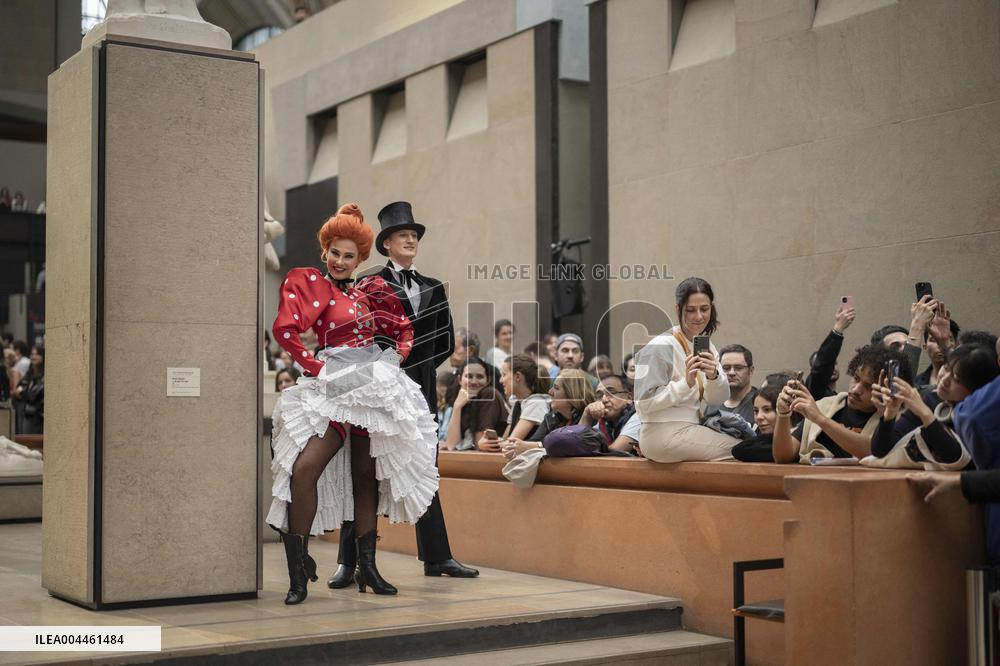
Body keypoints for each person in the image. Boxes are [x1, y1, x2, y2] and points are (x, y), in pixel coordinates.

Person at [268, 203, 439, 603]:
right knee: (305, 468)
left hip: (371, 384)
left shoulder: (371, 291)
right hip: (334, 382)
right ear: (324, 251)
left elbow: (403, 329)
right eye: (335, 253)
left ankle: (367, 568)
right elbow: (286, 331)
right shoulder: (312, 285)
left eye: (349, 256)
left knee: (366, 476)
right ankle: (298, 573)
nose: (341, 262)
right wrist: (315, 367)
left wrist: (396, 356)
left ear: (360, 258)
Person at [328, 201, 478, 589]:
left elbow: (445, 341)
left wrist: (418, 371)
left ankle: (437, 556)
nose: (410, 240)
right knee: (364, 472)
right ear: (386, 244)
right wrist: (383, 369)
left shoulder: (434, 287)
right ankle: (348, 562)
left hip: (420, 392)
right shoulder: (368, 281)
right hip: (378, 391)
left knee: (424, 469)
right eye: (402, 235)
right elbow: (355, 332)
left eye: (414, 235)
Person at [633, 277, 736, 462]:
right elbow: (643, 403)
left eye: (704, 309)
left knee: (746, 448)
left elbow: (717, 399)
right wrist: (686, 383)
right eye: (690, 310)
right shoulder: (660, 345)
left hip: (688, 429)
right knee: (743, 451)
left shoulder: (708, 347)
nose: (699, 316)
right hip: (662, 434)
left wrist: (714, 376)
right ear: (678, 309)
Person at [772, 345, 911, 464]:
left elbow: (874, 452)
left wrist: (820, 419)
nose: (856, 389)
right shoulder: (824, 405)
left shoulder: (892, 419)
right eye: (856, 378)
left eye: (868, 387)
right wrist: (783, 414)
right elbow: (783, 456)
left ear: (885, 388)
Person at [869, 343, 997, 468]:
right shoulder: (931, 399)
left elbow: (956, 459)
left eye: (956, 379)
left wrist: (925, 414)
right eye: (946, 368)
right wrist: (890, 414)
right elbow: (881, 451)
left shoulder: (982, 413)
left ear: (977, 388)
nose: (944, 379)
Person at [501, 368, 595, 458]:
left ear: (572, 393)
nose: (550, 392)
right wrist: (517, 447)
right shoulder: (551, 418)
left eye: (556, 388)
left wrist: (531, 446)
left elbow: (573, 445)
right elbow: (533, 442)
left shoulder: (590, 416)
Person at [443, 357, 508, 451]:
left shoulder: (489, 395)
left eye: (479, 377)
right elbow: (451, 445)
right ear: (459, 379)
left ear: (488, 380)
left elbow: (480, 445)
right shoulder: (462, 400)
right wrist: (457, 407)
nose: (474, 381)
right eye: (469, 376)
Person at [804, 300, 856, 400]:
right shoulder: (813, 392)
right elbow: (822, 367)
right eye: (828, 363)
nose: (831, 367)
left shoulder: (841, 399)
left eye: (834, 363)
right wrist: (838, 328)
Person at [579, 374, 638, 454]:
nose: (604, 400)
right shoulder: (603, 422)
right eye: (599, 396)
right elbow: (576, 445)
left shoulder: (638, 417)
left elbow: (614, 452)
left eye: (611, 393)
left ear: (629, 398)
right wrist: (586, 415)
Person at [716, 344, 757, 424]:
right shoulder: (714, 403)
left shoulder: (760, 403)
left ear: (751, 371)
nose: (731, 373)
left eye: (738, 368)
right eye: (726, 368)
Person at [12, 346, 43, 434]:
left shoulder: (44, 376)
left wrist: (22, 392)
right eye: (32, 354)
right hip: (26, 413)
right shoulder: (29, 373)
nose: (34, 357)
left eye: (37, 354)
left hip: (38, 417)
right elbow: (19, 388)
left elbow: (34, 396)